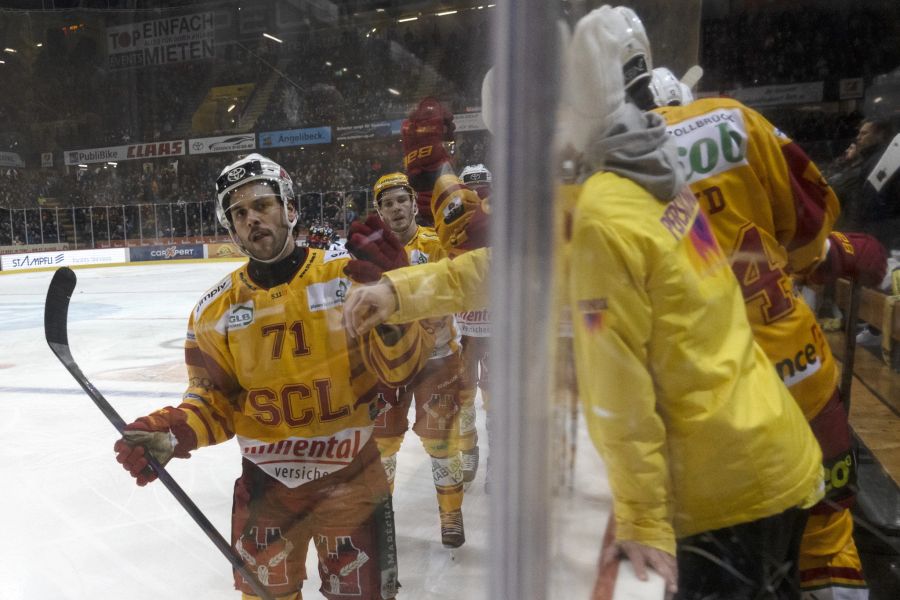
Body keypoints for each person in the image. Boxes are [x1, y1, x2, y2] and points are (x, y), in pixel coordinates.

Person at [607, 6, 886, 596]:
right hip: (802, 380)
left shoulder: (603, 175)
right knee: (829, 536)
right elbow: (812, 229)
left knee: (718, 571)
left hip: (710, 413)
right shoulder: (734, 119)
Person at [563, 8, 826, 598]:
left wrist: (642, 516)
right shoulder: (658, 169)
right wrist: (403, 291)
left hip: (722, 491)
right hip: (778, 439)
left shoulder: (605, 208)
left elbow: (619, 390)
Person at [113, 153, 436, 600]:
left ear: (290, 208)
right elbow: (214, 400)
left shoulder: (347, 278)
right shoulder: (213, 312)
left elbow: (402, 371)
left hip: (353, 477)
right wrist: (175, 432)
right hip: (266, 487)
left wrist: (394, 304)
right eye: (238, 212)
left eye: (262, 205)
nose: (252, 219)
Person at [360, 171, 474, 548]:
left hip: (437, 360)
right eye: (387, 203)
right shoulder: (370, 251)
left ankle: (451, 515)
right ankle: (382, 519)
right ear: (379, 210)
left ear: (413, 203)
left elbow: (455, 291)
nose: (395, 208)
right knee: (382, 446)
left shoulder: (436, 243)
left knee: (442, 442)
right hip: (387, 366)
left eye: (400, 200)